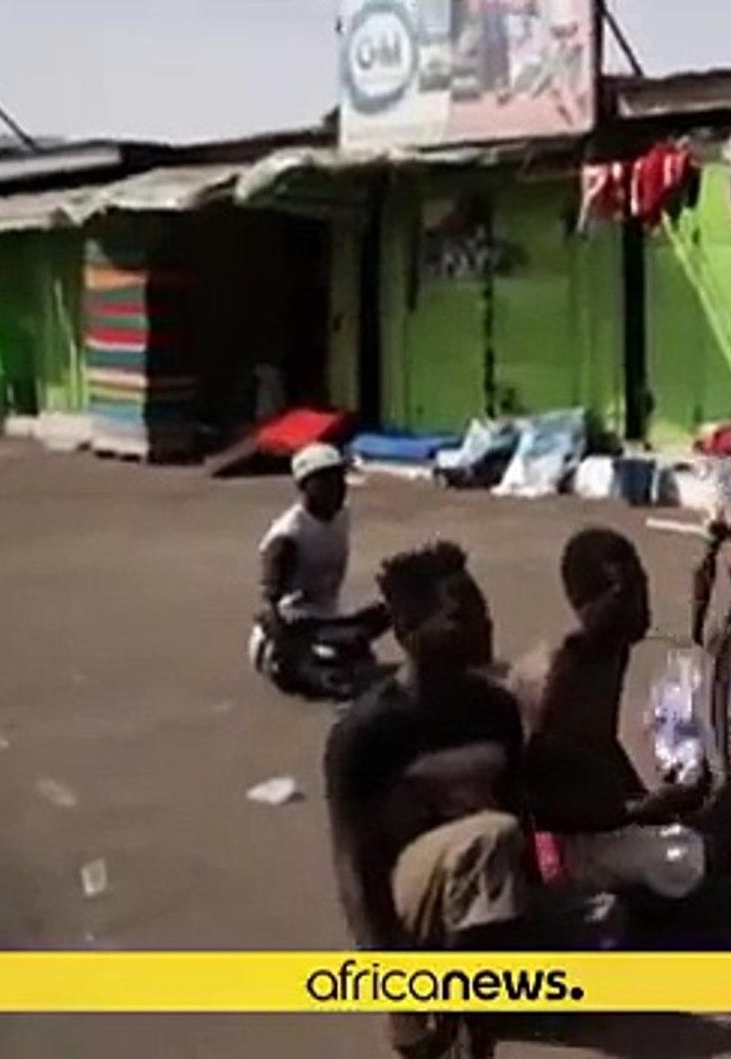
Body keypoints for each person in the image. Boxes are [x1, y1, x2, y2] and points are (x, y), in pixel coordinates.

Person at [323, 542, 619, 1059]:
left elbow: (523, 817)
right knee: (491, 835)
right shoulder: (370, 730)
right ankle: (457, 1009)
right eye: (460, 615)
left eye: (482, 609)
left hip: (489, 885)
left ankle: (496, 982)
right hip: (415, 900)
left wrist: (552, 889)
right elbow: (355, 863)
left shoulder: (494, 708)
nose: (484, 624)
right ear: (409, 633)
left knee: (607, 915)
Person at [508, 527, 731, 908]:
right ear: (601, 598)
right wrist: (642, 810)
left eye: (642, 586)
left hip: (610, 821)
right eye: (629, 593)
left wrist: (652, 801)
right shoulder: (562, 671)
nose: (642, 605)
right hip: (570, 846)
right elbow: (551, 796)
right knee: (709, 854)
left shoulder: (607, 655)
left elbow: (600, 749)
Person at [249, 443, 390, 698]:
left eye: (340, 480)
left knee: (394, 607)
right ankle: (317, 666)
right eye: (328, 482)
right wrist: (292, 649)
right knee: (338, 664)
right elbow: (270, 610)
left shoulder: (341, 516)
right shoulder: (288, 537)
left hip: (327, 619)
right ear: (305, 486)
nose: (339, 489)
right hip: (290, 630)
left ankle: (336, 654)